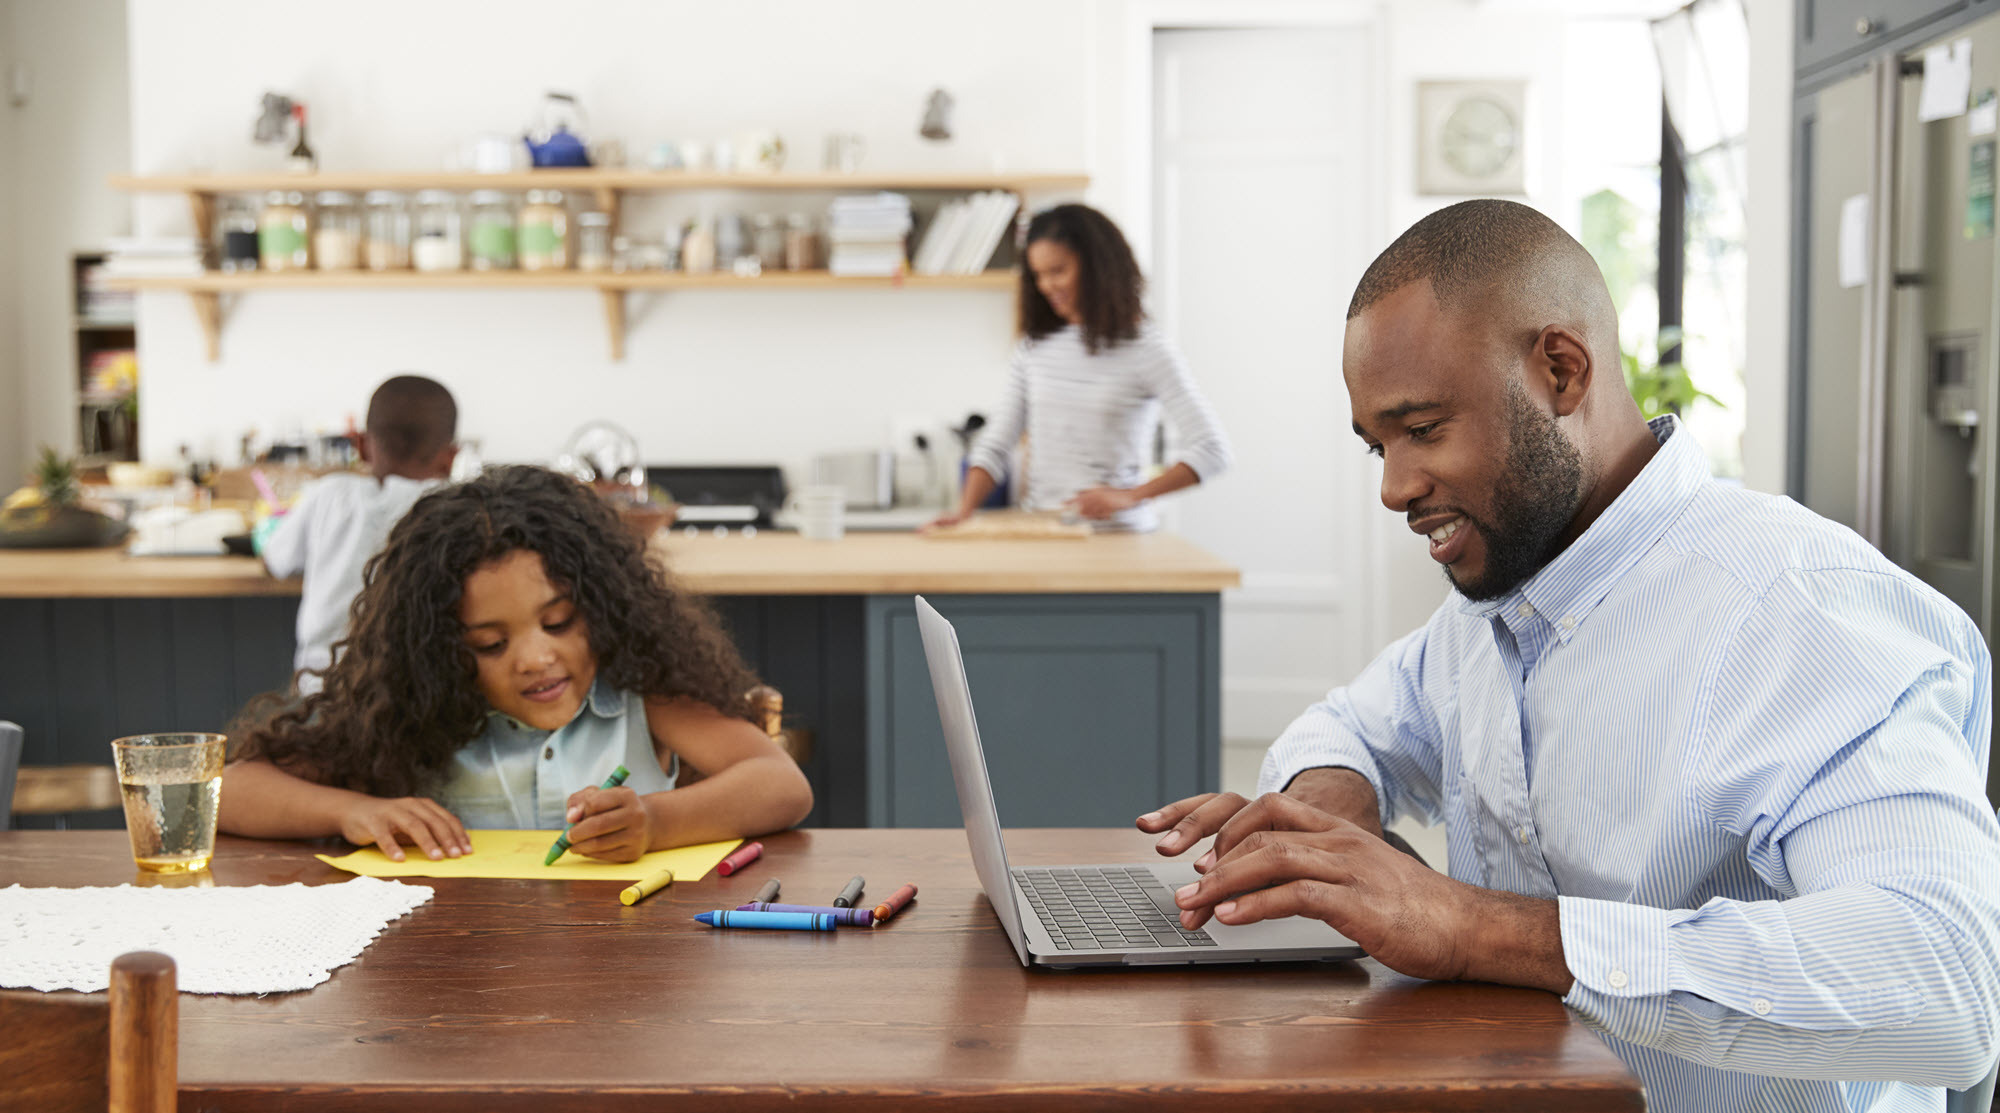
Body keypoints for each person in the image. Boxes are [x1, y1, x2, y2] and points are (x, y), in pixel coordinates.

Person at [1137, 199, 2000, 1111]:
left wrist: (1477, 929)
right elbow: (1353, 723)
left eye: (1423, 429)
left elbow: (1947, 976)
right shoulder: (1506, 588)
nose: (1394, 487)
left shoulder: (1793, 607)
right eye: (1377, 446)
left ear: (1561, 369)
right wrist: (1327, 816)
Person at [221, 465, 814, 863]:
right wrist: (351, 810)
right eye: (489, 643)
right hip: (462, 983)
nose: (536, 658)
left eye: (558, 623)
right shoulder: (409, 712)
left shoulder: (640, 692)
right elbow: (227, 790)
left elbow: (780, 785)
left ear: (603, 608)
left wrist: (656, 823)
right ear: (439, 650)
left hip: (631, 980)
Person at [930, 203, 1231, 532]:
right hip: (1048, 533)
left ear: (1098, 267)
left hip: (1119, 538)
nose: (1046, 286)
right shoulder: (1034, 349)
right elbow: (997, 443)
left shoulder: (1147, 349)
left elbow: (1212, 449)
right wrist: (964, 510)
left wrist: (1132, 496)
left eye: (1058, 271)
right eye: (1039, 275)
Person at [260, 374, 459, 695]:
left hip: (322, 690)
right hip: (420, 696)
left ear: (361, 445)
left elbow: (275, 559)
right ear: (451, 457)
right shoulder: (454, 508)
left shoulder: (327, 495)